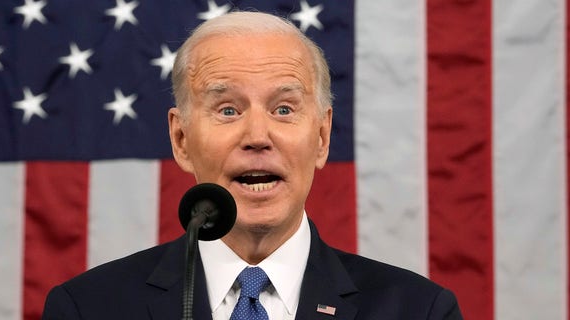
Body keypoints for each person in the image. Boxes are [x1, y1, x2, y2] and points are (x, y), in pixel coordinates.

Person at [41, 11, 463, 320]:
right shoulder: (88, 308)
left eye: (283, 108)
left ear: (321, 136)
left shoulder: (418, 310)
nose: (258, 136)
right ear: (181, 139)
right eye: (227, 110)